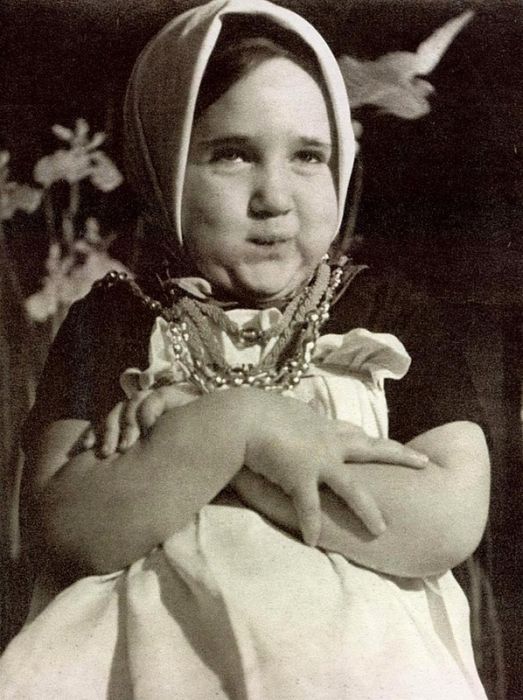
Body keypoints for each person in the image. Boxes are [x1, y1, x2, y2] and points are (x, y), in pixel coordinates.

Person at [0, 1, 490, 697]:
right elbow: (67, 527)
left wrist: (224, 449)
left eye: (308, 156)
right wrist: (237, 426)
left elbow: (446, 519)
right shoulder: (116, 318)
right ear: (165, 164)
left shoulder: (391, 317)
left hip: (355, 673)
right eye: (231, 154)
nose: (274, 197)